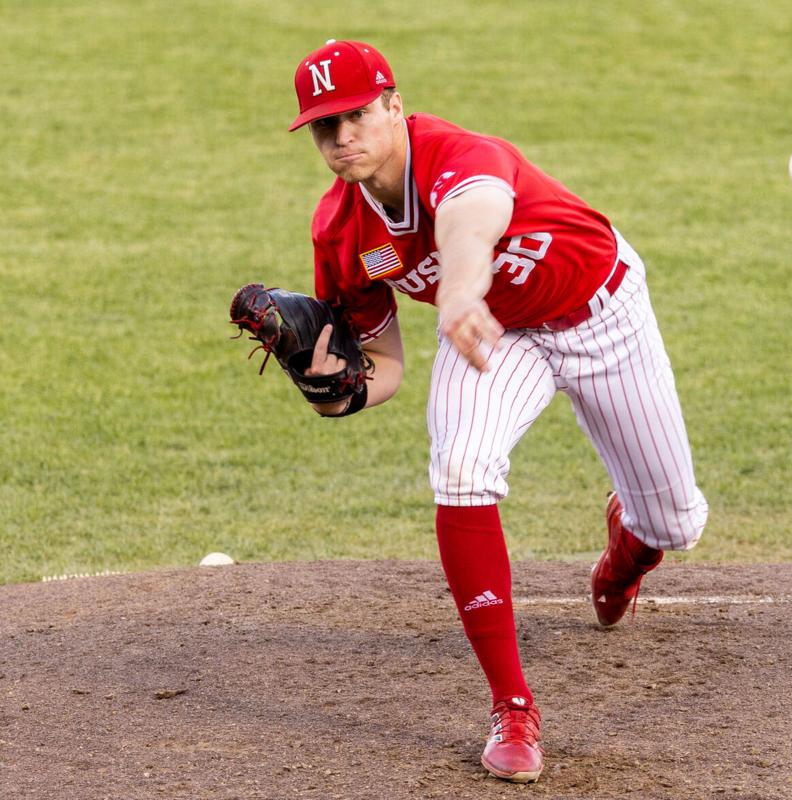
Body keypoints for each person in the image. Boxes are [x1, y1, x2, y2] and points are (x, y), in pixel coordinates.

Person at [286, 39, 707, 783]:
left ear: (393, 105)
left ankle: (627, 548)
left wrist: (457, 290)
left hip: (599, 314)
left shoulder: (457, 155)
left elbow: (472, 219)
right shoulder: (341, 232)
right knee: (460, 465)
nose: (341, 136)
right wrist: (340, 392)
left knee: (677, 523)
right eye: (324, 126)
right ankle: (513, 710)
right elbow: (384, 366)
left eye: (355, 115)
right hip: (495, 338)